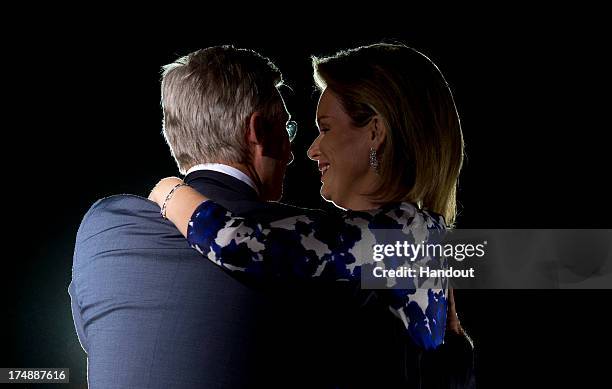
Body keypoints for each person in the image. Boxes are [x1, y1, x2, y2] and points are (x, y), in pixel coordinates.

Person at [150, 43, 474, 387]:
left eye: (326, 128)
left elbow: (236, 244)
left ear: (375, 133)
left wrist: (168, 191)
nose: (310, 149)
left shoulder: (397, 232)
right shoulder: (415, 234)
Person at [69, 46, 321, 388]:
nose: (291, 153)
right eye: (286, 128)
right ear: (257, 131)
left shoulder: (103, 226)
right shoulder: (306, 237)